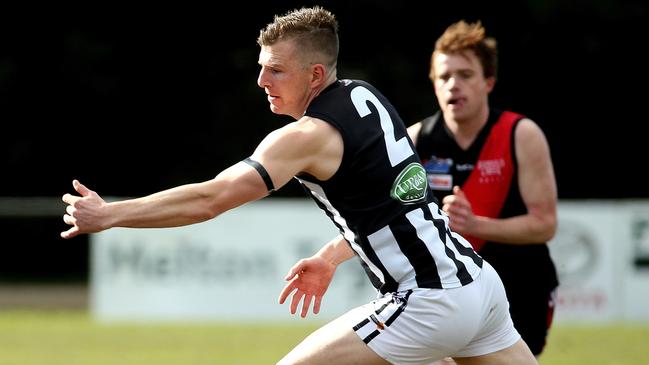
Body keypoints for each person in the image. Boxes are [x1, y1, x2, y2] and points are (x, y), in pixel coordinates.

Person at [61, 7, 539, 365]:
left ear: (314, 74)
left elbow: (212, 198)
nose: (261, 80)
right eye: (261, 65)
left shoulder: (306, 136)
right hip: (478, 286)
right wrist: (330, 257)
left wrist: (111, 214)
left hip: (428, 300)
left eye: (275, 69)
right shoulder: (364, 94)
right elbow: (392, 207)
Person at [407, 20, 559, 360]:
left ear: (488, 82)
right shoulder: (415, 140)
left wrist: (476, 225)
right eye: (444, 77)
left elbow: (545, 224)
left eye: (465, 75)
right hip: (449, 294)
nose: (453, 85)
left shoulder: (520, 134)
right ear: (433, 85)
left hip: (522, 290)